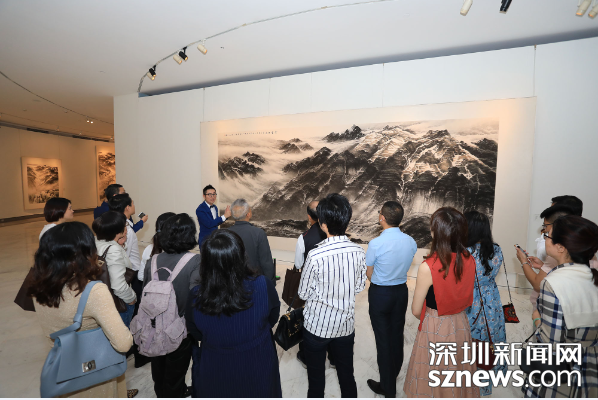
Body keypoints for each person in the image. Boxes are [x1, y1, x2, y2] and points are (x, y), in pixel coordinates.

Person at [29, 221, 133, 398]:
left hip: (63, 373)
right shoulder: (93, 291)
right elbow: (123, 343)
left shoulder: (38, 287)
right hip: (96, 376)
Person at [186, 229, 282, 397]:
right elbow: (273, 316)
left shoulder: (196, 295)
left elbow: (195, 332)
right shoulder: (262, 285)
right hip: (257, 362)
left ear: (206, 261)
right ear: (242, 256)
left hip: (216, 365)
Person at [403, 207, 479, 398]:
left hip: (435, 323)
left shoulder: (428, 266)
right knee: (457, 369)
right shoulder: (469, 259)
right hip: (460, 323)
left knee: (433, 374)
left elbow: (416, 310)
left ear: (436, 233)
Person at [298, 193, 367, 398]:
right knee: (347, 376)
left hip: (317, 327)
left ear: (323, 223)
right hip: (345, 326)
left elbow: (303, 292)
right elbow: (358, 286)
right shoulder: (358, 251)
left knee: (316, 380)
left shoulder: (315, 255)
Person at [523, 215, 598, 398]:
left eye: (547, 235)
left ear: (561, 247)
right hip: (589, 366)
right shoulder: (591, 276)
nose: (544, 239)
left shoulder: (553, 284)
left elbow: (551, 344)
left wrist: (536, 319)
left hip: (557, 378)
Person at [141, 213, 200, 398]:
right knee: (175, 375)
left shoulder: (152, 261)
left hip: (153, 328)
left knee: (159, 372)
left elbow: (145, 293)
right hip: (180, 330)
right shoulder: (194, 261)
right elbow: (196, 298)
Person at [365, 201, 417, 398]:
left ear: (382, 218)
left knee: (383, 341)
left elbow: (369, 273)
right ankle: (393, 374)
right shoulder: (410, 241)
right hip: (401, 292)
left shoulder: (375, 243)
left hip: (380, 294)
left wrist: (380, 281)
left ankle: (388, 388)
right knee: (396, 335)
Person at [463, 210, 507, 396]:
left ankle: (472, 383)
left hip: (470, 300)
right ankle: (490, 377)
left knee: (471, 340)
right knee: (490, 337)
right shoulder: (496, 249)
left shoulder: (465, 252)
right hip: (491, 299)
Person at [517, 204, 576, 307]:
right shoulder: (577, 247)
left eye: (547, 235)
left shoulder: (556, 254)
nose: (545, 238)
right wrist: (542, 266)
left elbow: (537, 285)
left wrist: (523, 261)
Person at [294, 200, 327, 368]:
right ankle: (332, 357)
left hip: (311, 287)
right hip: (331, 286)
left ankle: (307, 356)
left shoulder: (304, 237)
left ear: (309, 217)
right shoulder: (333, 235)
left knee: (310, 319)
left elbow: (298, 264)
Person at [92, 211, 137, 328]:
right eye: (125, 225)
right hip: (118, 303)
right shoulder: (113, 250)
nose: (126, 228)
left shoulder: (95, 241)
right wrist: (131, 298)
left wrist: (120, 244)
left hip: (100, 301)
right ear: (118, 231)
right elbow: (118, 285)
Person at [227, 198, 276, 284]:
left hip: (232, 282)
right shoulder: (259, 233)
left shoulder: (225, 233)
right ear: (248, 214)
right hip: (254, 282)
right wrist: (270, 284)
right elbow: (266, 263)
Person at [109, 194, 142, 276]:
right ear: (127, 208)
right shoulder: (126, 229)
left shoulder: (112, 224)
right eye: (132, 204)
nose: (134, 206)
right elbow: (125, 255)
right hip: (131, 272)